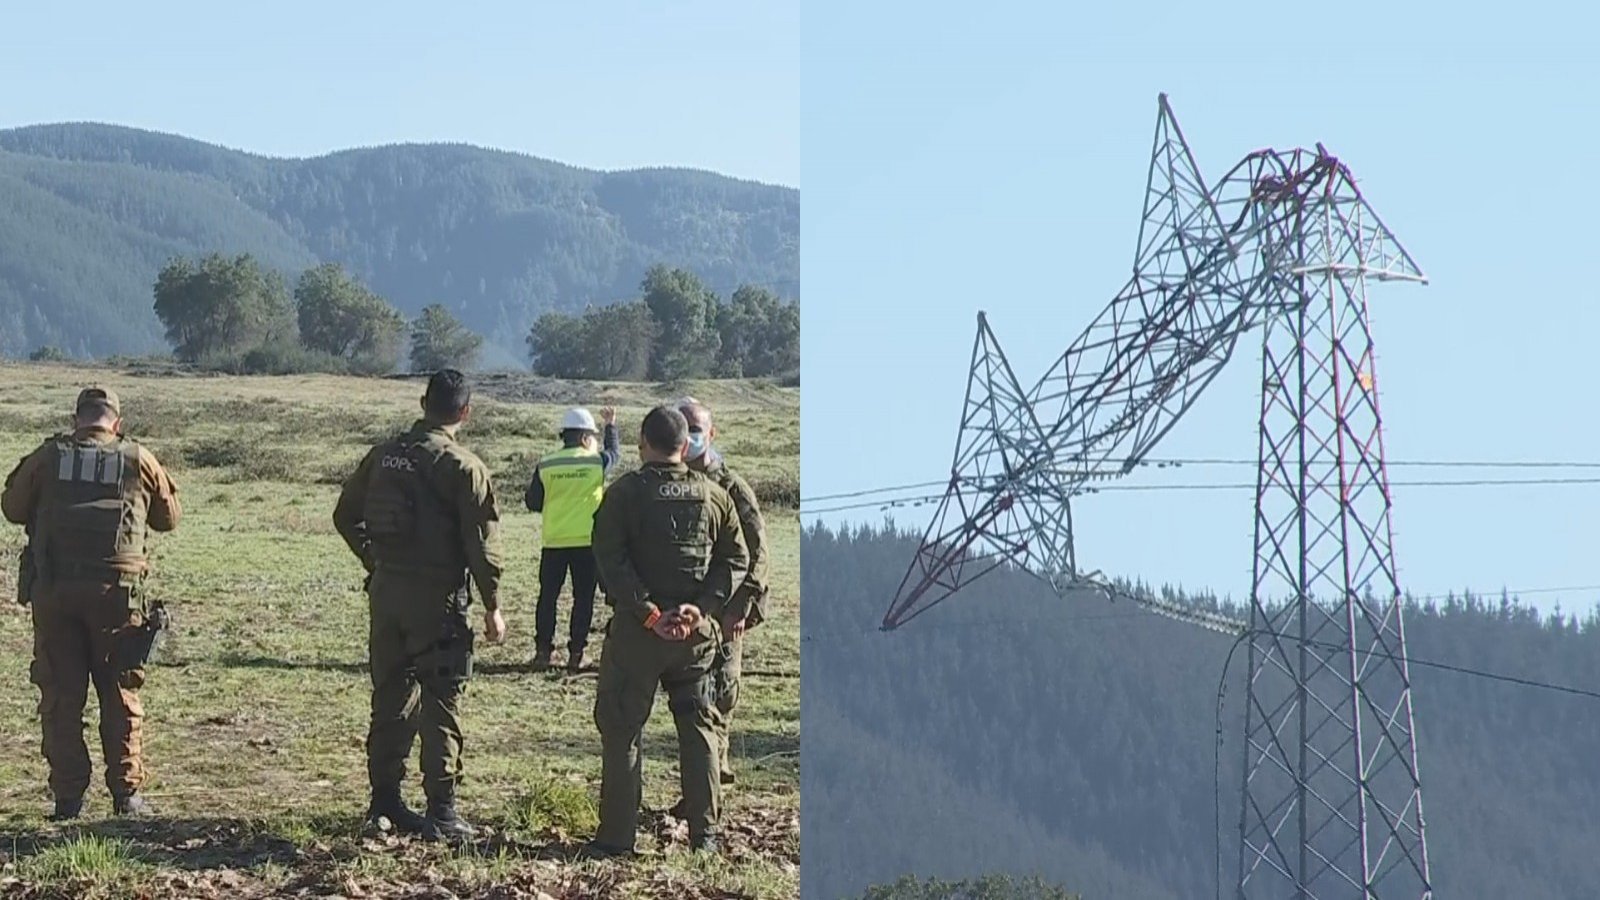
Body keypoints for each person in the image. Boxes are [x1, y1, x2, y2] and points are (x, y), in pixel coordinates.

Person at [333, 369, 507, 842]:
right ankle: (442, 811)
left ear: (422, 402)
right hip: (439, 601)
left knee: (390, 696)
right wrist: (493, 604)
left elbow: (344, 516)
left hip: (387, 595)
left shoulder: (384, 456)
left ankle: (384, 801)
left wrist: (376, 561)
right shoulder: (463, 467)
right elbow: (481, 547)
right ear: (465, 413)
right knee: (442, 701)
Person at [1, 386, 181, 821]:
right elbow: (168, 518)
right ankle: (127, 795)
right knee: (119, 693)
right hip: (117, 599)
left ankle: (67, 800)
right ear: (116, 424)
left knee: (62, 696)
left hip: (56, 594)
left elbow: (11, 507)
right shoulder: (138, 458)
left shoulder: (48, 458)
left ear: (76, 420)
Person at [584, 406, 751, 858]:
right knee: (700, 731)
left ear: (642, 442)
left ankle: (617, 838)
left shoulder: (623, 495)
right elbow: (736, 560)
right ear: (686, 445)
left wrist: (648, 612)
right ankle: (706, 837)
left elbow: (608, 558)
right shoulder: (715, 496)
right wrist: (701, 610)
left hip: (638, 637)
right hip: (695, 640)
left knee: (622, 730)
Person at [678, 399, 770, 787]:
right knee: (692, 700)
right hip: (686, 613)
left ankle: (715, 774)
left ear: (711, 434)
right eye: (683, 427)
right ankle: (706, 779)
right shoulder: (671, 482)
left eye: (697, 428)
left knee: (721, 692)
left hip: (725, 611)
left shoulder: (731, 487)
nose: (691, 435)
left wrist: (742, 607)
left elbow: (758, 551)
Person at [524, 406, 620, 673]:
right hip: (587, 543)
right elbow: (615, 454)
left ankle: (544, 651)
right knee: (583, 598)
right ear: (586, 438)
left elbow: (533, 502)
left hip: (553, 541)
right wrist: (611, 425)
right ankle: (577, 653)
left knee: (548, 597)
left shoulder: (547, 463)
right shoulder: (596, 462)